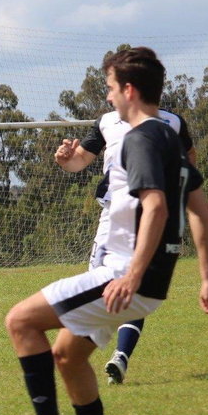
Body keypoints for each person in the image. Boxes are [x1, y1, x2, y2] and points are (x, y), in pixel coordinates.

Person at [6, 47, 208, 415]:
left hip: (125, 273)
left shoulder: (141, 138)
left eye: (109, 89)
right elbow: (198, 206)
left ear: (128, 89)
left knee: (20, 321)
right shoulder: (168, 138)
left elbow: (158, 206)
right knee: (67, 356)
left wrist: (132, 274)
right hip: (148, 279)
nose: (107, 98)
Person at [54, 104, 196, 385]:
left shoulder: (173, 122)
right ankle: (100, 353)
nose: (109, 95)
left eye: (112, 84)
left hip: (153, 213)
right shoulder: (106, 121)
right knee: (102, 282)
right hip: (112, 213)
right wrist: (65, 159)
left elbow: (189, 161)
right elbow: (78, 161)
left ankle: (115, 353)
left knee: (131, 282)